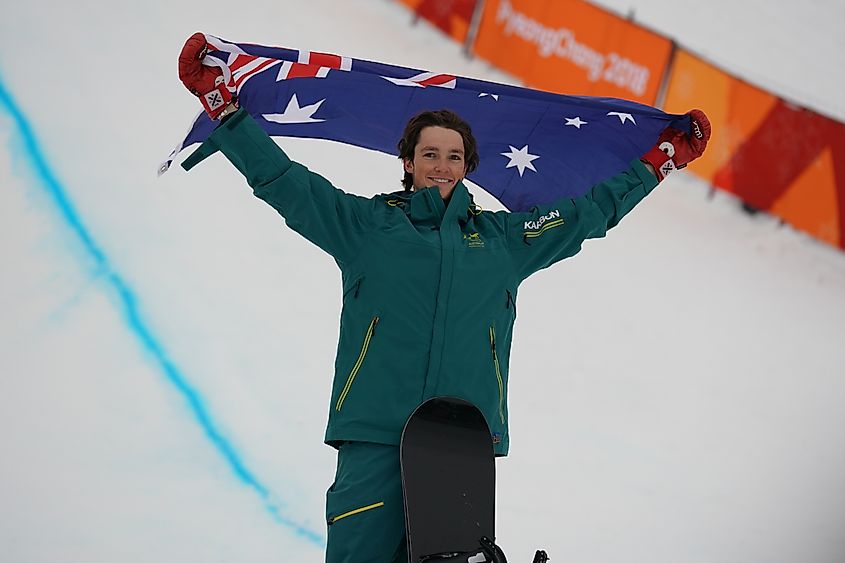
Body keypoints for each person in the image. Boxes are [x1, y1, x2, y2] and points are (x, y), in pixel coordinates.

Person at [178, 33, 710, 563]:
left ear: (467, 165)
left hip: (459, 444)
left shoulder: (507, 240)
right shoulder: (366, 226)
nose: (441, 165)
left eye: (453, 156)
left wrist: (657, 163)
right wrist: (225, 109)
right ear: (407, 162)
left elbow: (590, 213)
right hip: (376, 432)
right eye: (429, 154)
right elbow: (286, 183)